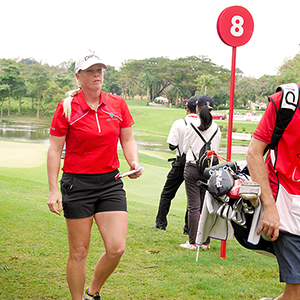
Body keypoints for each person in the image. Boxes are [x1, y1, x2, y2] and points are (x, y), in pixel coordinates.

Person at [47, 52, 143, 300]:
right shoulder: (67, 108)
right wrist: (53, 190)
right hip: (77, 184)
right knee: (79, 251)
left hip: (110, 182)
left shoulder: (117, 104)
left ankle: (93, 291)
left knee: (116, 248)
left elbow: (128, 138)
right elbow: (55, 149)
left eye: (100, 70)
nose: (97, 74)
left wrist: (133, 161)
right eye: (90, 71)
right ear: (78, 77)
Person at [246, 85, 300, 300]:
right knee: (296, 291)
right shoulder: (286, 101)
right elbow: (254, 153)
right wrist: (269, 207)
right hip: (287, 206)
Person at [151, 97, 199, 232]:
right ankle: (188, 229)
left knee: (167, 193)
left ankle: (161, 224)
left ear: (187, 109)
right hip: (196, 164)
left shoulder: (179, 123)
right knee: (193, 198)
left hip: (181, 161)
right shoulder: (203, 123)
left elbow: (172, 146)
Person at [180, 95, 221, 251]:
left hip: (192, 167)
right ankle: (205, 241)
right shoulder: (217, 128)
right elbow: (216, 151)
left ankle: (192, 241)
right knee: (206, 205)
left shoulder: (191, 126)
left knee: (193, 206)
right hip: (208, 169)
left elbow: (184, 149)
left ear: (197, 108)